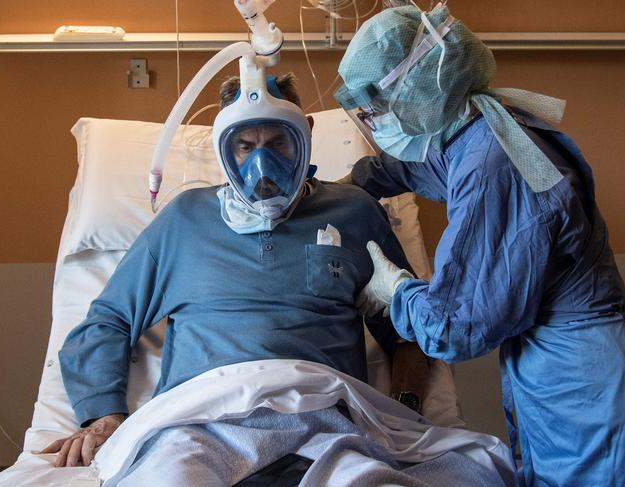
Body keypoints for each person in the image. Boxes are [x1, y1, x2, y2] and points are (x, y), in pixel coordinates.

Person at [38, 72, 461, 484]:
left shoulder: (354, 212)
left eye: (279, 142)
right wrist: (105, 416)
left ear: (306, 132)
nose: (264, 163)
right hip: (199, 422)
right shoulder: (184, 220)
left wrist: (403, 406)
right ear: (224, 147)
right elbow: (108, 320)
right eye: (245, 146)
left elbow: (406, 331)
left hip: (323, 419)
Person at [335, 4, 625, 486]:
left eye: (374, 110)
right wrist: (353, 183)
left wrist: (399, 291)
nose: (371, 122)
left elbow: (455, 326)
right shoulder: (483, 128)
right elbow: (425, 167)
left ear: (416, 92)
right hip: (562, 365)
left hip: (579, 384)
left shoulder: (494, 166)